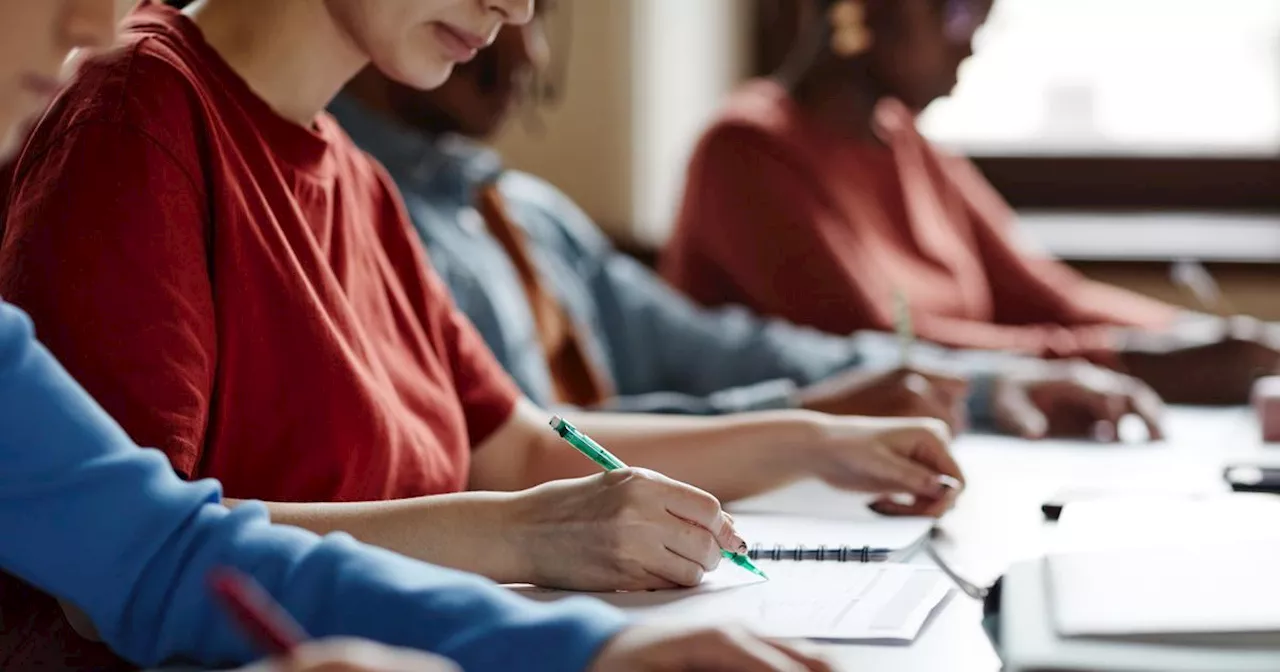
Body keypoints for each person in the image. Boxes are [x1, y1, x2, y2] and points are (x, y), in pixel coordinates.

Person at [0, 0, 958, 662]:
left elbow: (505, 442)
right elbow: (130, 562)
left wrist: (813, 445)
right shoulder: (134, 117)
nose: (516, 10)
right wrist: (528, 539)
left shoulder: (359, 180)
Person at [330, 8, 1164, 440]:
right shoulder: (353, 211)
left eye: (540, 14)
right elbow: (515, 450)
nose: (532, 54)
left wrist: (977, 387)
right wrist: (805, 415)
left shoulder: (525, 212)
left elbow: (720, 347)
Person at [661, 0, 1280, 406]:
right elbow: (875, 345)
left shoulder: (910, 146)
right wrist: (1133, 363)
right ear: (864, 12)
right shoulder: (745, 151)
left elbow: (1050, 295)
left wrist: (1219, 339)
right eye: (955, 12)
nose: (974, 39)